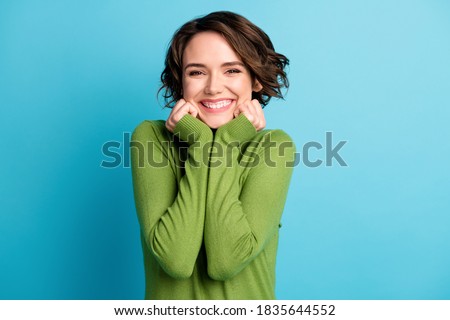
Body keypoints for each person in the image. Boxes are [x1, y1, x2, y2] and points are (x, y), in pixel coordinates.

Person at [130, 11, 296, 300]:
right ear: (180, 81)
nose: (213, 87)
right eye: (196, 72)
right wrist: (201, 143)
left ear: (255, 79)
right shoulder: (151, 139)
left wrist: (226, 142)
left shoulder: (275, 148)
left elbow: (225, 262)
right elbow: (175, 260)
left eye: (232, 70)